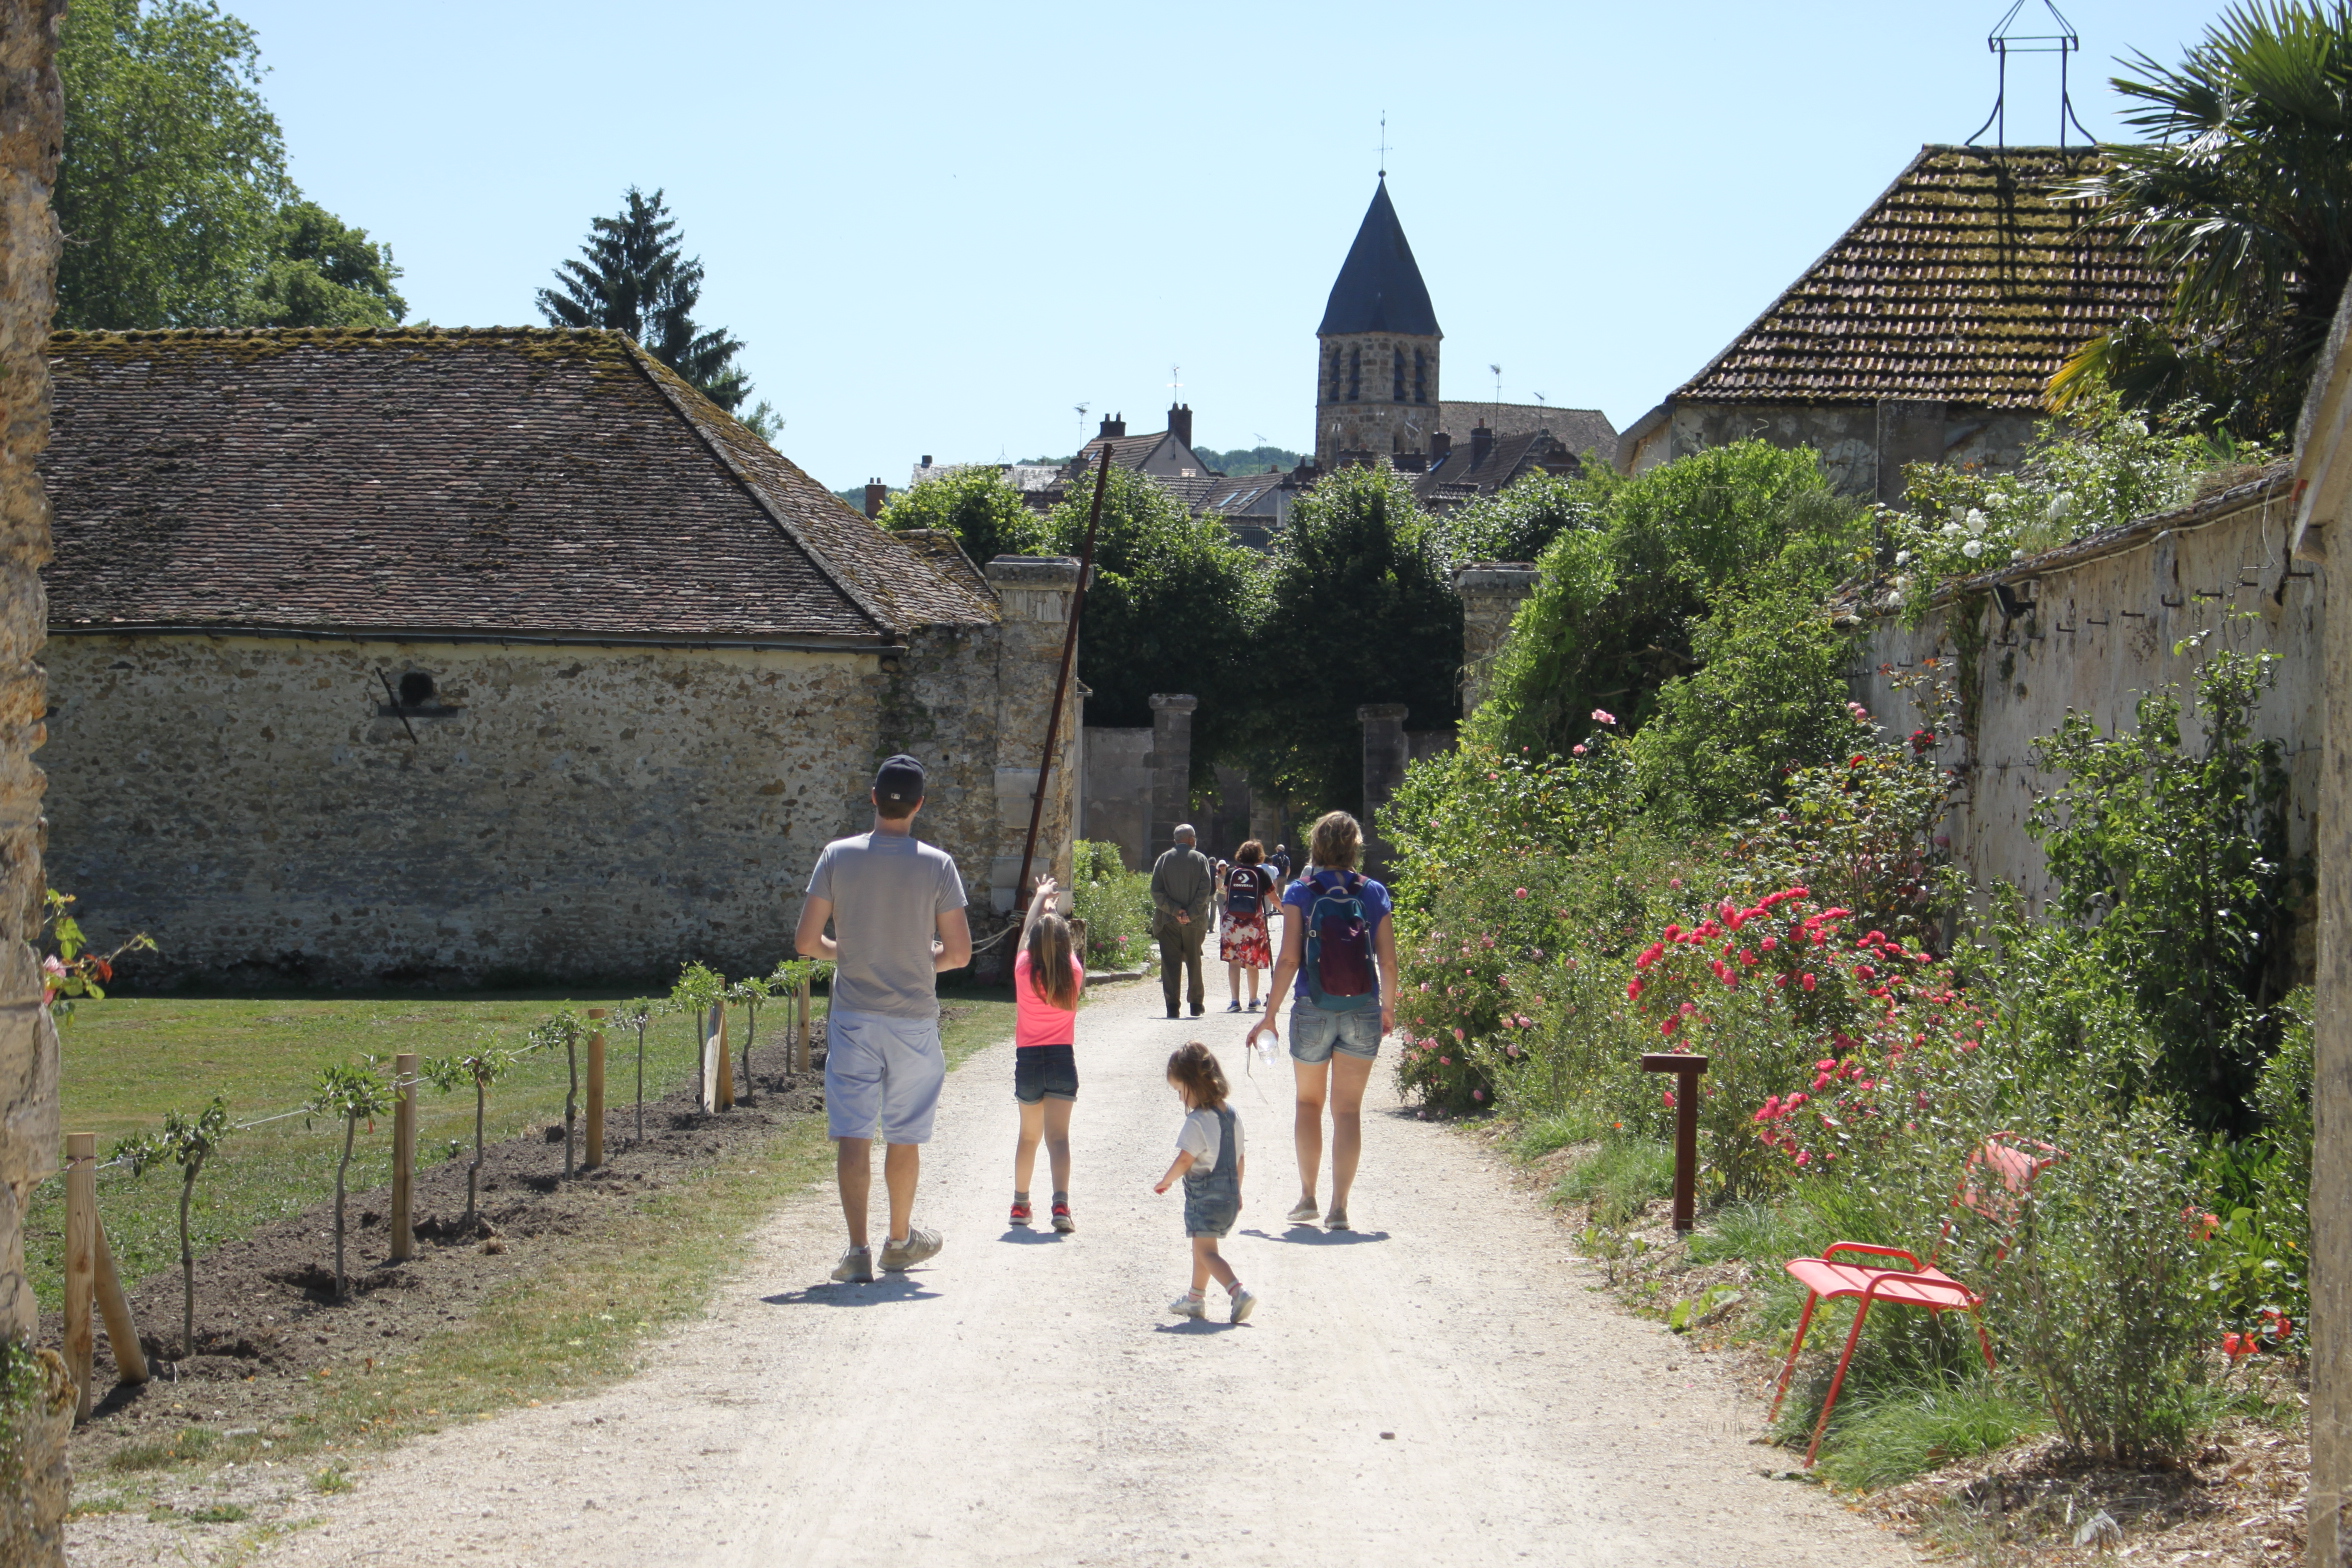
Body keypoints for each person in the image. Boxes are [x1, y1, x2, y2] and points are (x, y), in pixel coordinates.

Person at [795, 754, 972, 1284]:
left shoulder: (836, 856)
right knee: (903, 1134)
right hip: (912, 1017)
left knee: (853, 1133)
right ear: (919, 804)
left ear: (873, 797)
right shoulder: (937, 865)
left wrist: (845, 953)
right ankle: (899, 1241)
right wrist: (922, 959)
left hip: (853, 1016)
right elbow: (960, 953)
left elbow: (807, 942)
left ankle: (856, 1251)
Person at [1243, 810, 1398, 1233]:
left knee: (1308, 1104)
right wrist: (1388, 1007)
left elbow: (1290, 958)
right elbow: (1387, 957)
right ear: (1355, 846)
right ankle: (1340, 1207)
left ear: (1316, 845)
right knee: (1347, 1110)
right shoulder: (1373, 891)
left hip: (1312, 1007)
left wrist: (1270, 1015)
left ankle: (1308, 1196)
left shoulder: (1300, 891)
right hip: (1362, 1007)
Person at [1153, 1042, 1257, 1323]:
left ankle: (1238, 1292)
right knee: (1202, 1248)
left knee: (1207, 1252)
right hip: (1229, 1196)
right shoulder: (1232, 1116)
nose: (1180, 1099)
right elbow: (1240, 1157)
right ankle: (1195, 1299)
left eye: (1180, 1090)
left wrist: (1167, 1180)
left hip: (1205, 1199)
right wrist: (1237, 1190)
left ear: (1194, 1084)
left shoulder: (1197, 1121)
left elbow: (1186, 1159)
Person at [1009, 873, 1082, 1234]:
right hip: (1061, 1059)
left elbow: (1026, 934)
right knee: (1058, 1138)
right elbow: (1056, 945)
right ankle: (1061, 1205)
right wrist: (1054, 916)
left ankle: (1021, 1204)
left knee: (1028, 1137)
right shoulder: (1073, 973)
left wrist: (1040, 899)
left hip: (1029, 1060)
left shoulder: (1023, 970)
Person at [1149, 823, 1215, 1019]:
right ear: (1192, 839)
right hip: (1195, 923)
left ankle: (1172, 1006)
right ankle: (1195, 1004)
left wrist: (1176, 910)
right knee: (1194, 961)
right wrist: (1190, 913)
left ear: (1175, 840)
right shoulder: (1200, 858)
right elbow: (1205, 889)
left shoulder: (1163, 859)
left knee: (1170, 964)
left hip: (1168, 920)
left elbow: (1156, 891)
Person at [1219, 840, 1274, 1012]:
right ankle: (1253, 999)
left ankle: (1234, 1001)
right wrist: (1289, 912)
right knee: (1252, 961)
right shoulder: (1261, 873)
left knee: (1233, 961)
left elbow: (1227, 895)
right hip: (1253, 923)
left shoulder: (1231, 872)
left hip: (1232, 922)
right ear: (1259, 855)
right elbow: (1274, 899)